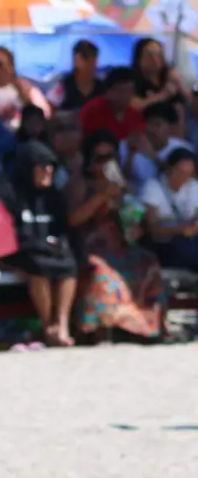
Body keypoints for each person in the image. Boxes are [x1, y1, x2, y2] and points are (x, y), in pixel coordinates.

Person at [66, 130, 165, 341]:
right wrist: (102, 196)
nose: (105, 163)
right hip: (88, 246)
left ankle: (145, 326)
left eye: (110, 157)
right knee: (101, 270)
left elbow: (130, 220)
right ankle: (101, 327)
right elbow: (74, 219)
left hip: (119, 244)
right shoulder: (79, 184)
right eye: (100, 158)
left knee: (147, 261)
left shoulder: (121, 184)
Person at [0, 141, 78, 346]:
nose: (48, 170)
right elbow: (8, 232)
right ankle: (47, 325)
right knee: (38, 267)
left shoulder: (54, 196)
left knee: (69, 265)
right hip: (19, 252)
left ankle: (62, 324)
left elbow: (62, 228)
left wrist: (57, 243)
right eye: (42, 166)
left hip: (49, 250)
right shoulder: (9, 193)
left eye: (51, 166)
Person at [142, 148, 198, 270]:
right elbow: (151, 227)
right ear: (169, 169)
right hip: (163, 244)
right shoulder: (153, 187)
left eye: (188, 174)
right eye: (180, 172)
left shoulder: (193, 187)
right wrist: (181, 230)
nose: (184, 178)